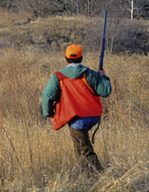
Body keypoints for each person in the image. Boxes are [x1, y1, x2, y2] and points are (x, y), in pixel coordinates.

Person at [42, 44, 112, 173]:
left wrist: (49, 114)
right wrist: (103, 76)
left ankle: (101, 175)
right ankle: (83, 171)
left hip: (77, 118)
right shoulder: (89, 73)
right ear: (81, 58)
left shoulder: (58, 76)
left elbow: (47, 95)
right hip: (93, 116)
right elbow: (106, 91)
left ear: (66, 59)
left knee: (84, 148)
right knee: (78, 144)